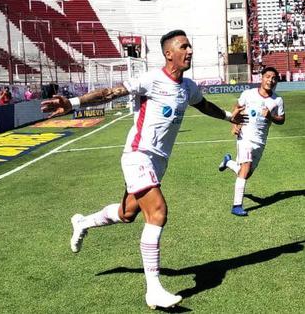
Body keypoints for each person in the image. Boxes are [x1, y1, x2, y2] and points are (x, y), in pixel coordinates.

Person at [40, 30, 245, 310]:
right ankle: (154, 290)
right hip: (138, 156)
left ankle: (82, 222)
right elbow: (110, 93)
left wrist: (227, 116)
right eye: (183, 46)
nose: (190, 51)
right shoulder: (151, 79)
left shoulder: (188, 87)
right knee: (158, 211)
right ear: (168, 53)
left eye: (190, 46)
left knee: (127, 213)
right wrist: (73, 103)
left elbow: (204, 105)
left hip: (158, 162)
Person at [218, 66, 285, 216]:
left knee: (246, 174)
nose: (271, 80)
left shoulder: (278, 100)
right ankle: (237, 206)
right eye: (268, 76)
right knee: (246, 167)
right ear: (261, 78)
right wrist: (235, 125)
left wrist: (271, 117)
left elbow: (282, 120)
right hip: (245, 136)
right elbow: (237, 108)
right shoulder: (248, 94)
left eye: (274, 78)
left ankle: (228, 162)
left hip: (260, 141)